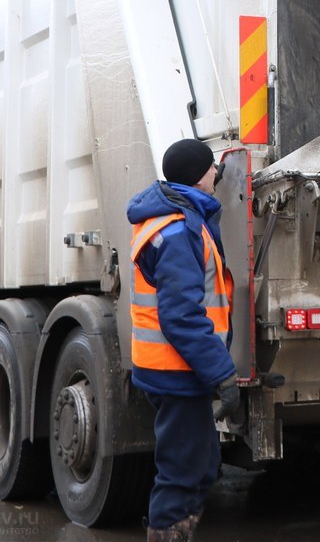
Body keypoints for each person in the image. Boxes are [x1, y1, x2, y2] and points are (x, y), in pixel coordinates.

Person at [129, 139, 238, 542]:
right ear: (199, 174)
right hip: (176, 371)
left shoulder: (177, 219)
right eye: (213, 169)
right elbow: (182, 316)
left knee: (202, 463)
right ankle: (167, 534)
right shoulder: (178, 231)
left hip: (176, 369)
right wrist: (222, 374)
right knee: (182, 471)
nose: (216, 176)